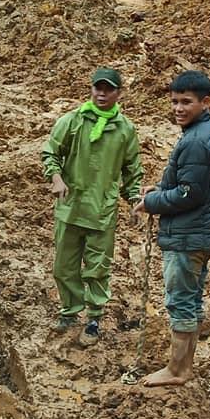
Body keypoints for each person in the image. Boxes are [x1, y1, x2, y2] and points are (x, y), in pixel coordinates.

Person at [133, 70, 210, 386]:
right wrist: (158, 190)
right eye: (174, 101)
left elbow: (190, 193)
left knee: (180, 300)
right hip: (201, 232)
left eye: (186, 102)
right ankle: (183, 366)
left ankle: (177, 369)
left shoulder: (195, 141)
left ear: (205, 101)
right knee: (192, 298)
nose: (178, 108)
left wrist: (154, 202)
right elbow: (190, 182)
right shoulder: (205, 130)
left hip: (188, 235)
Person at [41, 67, 143, 338]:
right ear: (91, 89)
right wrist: (56, 178)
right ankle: (70, 311)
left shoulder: (125, 130)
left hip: (102, 211)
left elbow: (132, 169)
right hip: (70, 207)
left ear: (119, 93)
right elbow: (51, 152)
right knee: (64, 267)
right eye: (98, 87)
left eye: (109, 88)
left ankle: (94, 319)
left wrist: (134, 199)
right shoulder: (73, 121)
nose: (102, 93)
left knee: (98, 268)